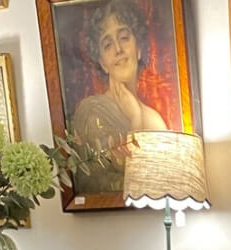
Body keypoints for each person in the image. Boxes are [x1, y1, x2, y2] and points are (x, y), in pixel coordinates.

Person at [71, 0, 166, 195]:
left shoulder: (156, 120)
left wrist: (139, 113)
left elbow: (161, 185)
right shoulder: (91, 111)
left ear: (138, 48)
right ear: (103, 63)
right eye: (107, 45)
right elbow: (116, 184)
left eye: (124, 38)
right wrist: (135, 119)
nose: (118, 50)